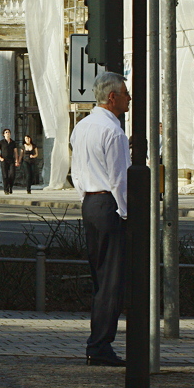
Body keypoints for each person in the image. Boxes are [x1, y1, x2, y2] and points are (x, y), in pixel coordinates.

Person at [69, 71, 131, 368]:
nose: (129, 98)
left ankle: (98, 342)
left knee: (99, 276)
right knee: (112, 280)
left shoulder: (81, 127)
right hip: (108, 203)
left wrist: (87, 197)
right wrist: (126, 213)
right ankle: (100, 345)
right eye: (126, 93)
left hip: (90, 202)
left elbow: (76, 171)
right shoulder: (114, 132)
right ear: (112, 97)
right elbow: (120, 179)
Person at [0, 128, 20, 194]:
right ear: (4, 134)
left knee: (12, 175)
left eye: (8, 132)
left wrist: (17, 160)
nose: (7, 133)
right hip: (4, 160)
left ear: (10, 134)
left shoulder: (13, 142)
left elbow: (15, 152)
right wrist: (0, 158)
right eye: (6, 132)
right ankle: (6, 189)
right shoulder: (1, 142)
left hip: (11, 160)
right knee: (5, 175)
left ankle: (10, 187)